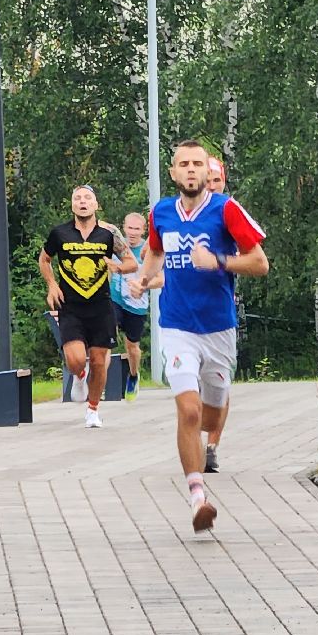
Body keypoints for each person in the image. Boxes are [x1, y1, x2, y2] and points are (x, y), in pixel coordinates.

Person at [131, 141, 268, 532]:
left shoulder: (225, 210)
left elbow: (260, 262)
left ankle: (213, 431)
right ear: (173, 173)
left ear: (208, 173)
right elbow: (156, 252)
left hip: (218, 329)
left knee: (210, 416)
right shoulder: (160, 213)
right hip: (176, 326)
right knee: (188, 412)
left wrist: (220, 261)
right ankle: (197, 499)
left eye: (197, 164)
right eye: (183, 164)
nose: (190, 170)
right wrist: (143, 279)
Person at [40, 185, 137, 428]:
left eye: (87, 198)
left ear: (96, 204)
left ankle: (93, 410)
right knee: (75, 360)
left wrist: (117, 267)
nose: (82, 202)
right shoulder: (60, 233)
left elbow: (131, 263)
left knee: (98, 359)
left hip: (101, 305)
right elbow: (44, 259)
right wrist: (52, 285)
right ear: (72, 204)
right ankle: (79, 376)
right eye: (77, 198)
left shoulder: (108, 233)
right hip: (70, 305)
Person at [202, 157, 231, 471]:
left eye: (217, 182)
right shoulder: (182, 213)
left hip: (219, 310)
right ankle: (197, 438)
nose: (211, 188)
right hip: (185, 312)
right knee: (193, 384)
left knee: (219, 384)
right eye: (207, 182)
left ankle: (212, 446)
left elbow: (255, 258)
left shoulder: (231, 213)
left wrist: (221, 260)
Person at [109, 212, 149, 397]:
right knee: (106, 332)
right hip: (115, 297)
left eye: (137, 229)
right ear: (123, 227)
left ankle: (133, 375)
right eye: (129, 228)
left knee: (131, 346)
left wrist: (142, 285)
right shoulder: (117, 245)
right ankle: (101, 378)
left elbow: (156, 275)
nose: (132, 233)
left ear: (143, 230)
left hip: (136, 304)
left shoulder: (146, 250)